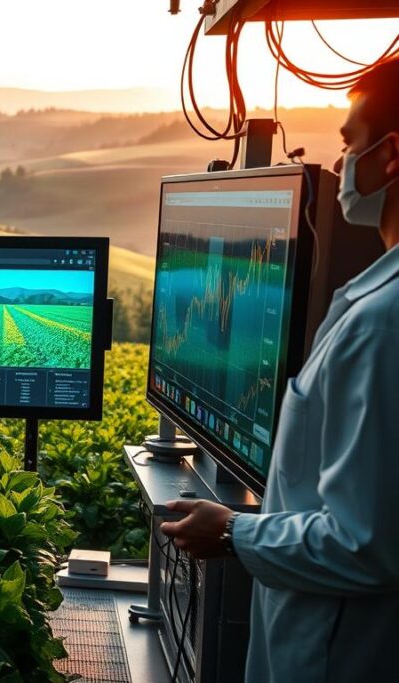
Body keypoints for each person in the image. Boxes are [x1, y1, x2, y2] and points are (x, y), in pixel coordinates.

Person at [160, 58, 399, 682]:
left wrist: (237, 533)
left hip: (334, 654)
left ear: (391, 155)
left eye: (349, 144)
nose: (341, 167)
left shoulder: (383, 325)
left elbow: (365, 544)